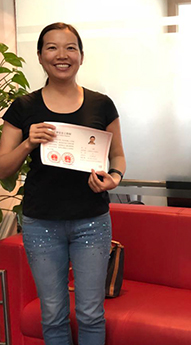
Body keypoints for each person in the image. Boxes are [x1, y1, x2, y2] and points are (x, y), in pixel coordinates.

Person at [0, 22, 126, 345]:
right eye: (52, 48)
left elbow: (118, 157)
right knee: (53, 314)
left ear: (81, 56)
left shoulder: (101, 104)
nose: (62, 55)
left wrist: (113, 179)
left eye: (70, 48)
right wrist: (28, 143)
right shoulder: (24, 108)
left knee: (91, 313)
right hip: (41, 224)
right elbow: (2, 168)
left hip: (92, 222)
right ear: (40, 56)